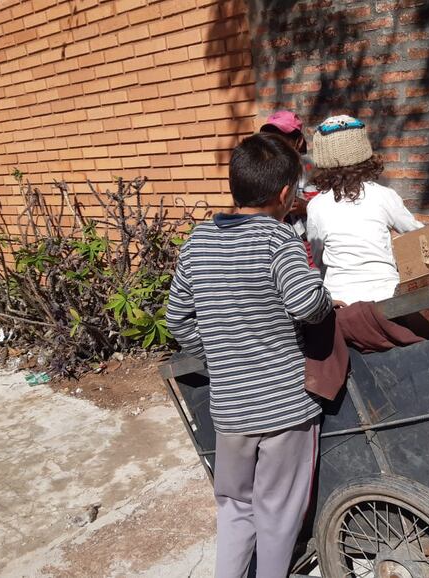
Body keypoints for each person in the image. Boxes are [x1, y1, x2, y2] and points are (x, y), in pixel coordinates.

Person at [166, 133, 336, 578]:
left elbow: (177, 319)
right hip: (285, 406)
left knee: (235, 506)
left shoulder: (197, 243)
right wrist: (324, 295)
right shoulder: (277, 240)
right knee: (277, 514)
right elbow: (306, 304)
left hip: (231, 410)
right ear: (285, 194)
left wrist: (218, 356)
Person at [306, 115, 424, 304]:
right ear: (364, 153)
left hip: (340, 304)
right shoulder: (384, 196)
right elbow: (419, 235)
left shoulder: (315, 206)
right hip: (386, 299)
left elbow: (318, 258)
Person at [259, 111, 318, 255]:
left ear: (299, 142)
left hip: (309, 243)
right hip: (275, 243)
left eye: (283, 139)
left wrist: (306, 207)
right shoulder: (262, 168)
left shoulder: (313, 168)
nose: (276, 145)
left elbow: (333, 208)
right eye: (271, 139)